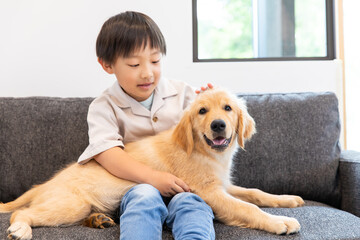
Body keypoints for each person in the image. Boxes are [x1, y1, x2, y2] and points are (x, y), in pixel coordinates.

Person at [78, 11, 215, 240]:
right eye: (133, 64)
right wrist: (153, 178)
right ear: (107, 65)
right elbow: (107, 154)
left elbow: (207, 137)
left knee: (192, 203)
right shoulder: (103, 107)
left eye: (155, 60)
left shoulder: (183, 94)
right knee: (144, 197)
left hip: (185, 185)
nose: (147, 73)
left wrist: (207, 107)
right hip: (134, 188)